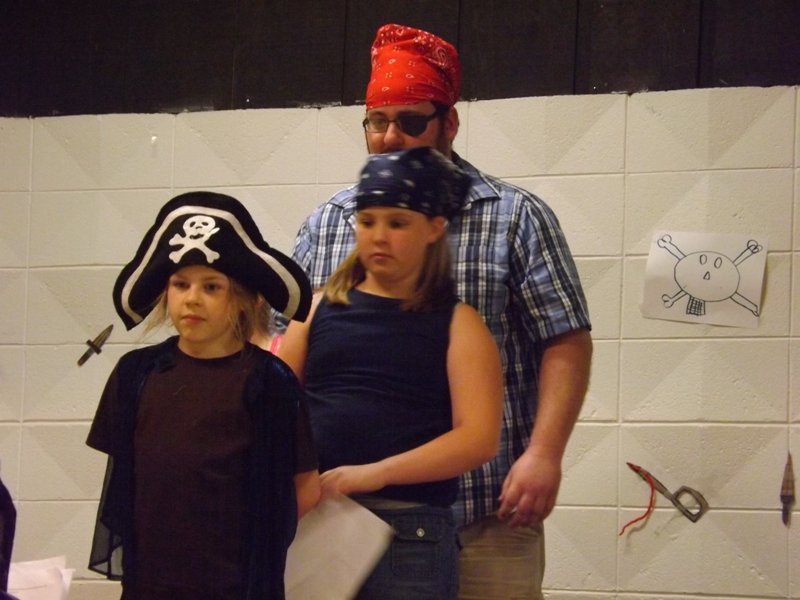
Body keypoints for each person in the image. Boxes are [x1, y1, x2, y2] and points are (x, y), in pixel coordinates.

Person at [288, 24, 593, 600]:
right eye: (377, 121)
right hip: (337, 516)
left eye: (410, 120)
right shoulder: (328, 221)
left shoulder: (516, 216)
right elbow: (283, 362)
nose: (390, 136)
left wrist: (544, 455)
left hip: (488, 510)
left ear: (449, 122)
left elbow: (565, 340)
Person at [279, 146, 504, 599]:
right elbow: (276, 406)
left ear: (434, 229)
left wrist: (377, 473)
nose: (379, 237)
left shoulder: (459, 324)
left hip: (410, 528)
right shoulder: (316, 309)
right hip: (315, 515)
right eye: (367, 222)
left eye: (397, 224)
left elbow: (478, 438)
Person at [86, 191, 320, 600]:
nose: (192, 299)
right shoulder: (135, 374)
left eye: (212, 286)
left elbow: (306, 487)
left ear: (243, 299)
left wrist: (257, 551)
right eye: (181, 284)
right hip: (150, 584)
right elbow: (128, 482)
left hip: (235, 587)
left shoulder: (269, 382)